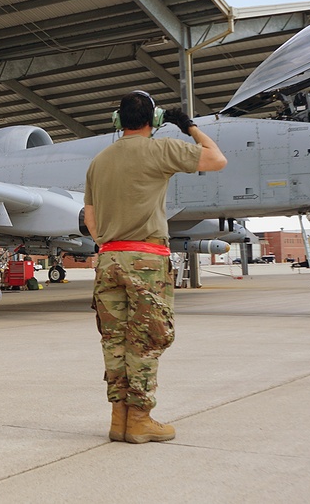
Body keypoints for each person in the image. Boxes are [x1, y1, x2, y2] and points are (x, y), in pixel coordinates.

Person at [83, 91, 227, 444]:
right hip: (146, 258)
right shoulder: (160, 150)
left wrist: (108, 242)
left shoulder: (98, 162)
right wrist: (189, 126)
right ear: (155, 120)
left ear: (118, 121)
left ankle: (119, 420)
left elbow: (90, 217)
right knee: (145, 341)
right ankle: (141, 420)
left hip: (108, 259)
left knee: (114, 341)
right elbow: (217, 159)